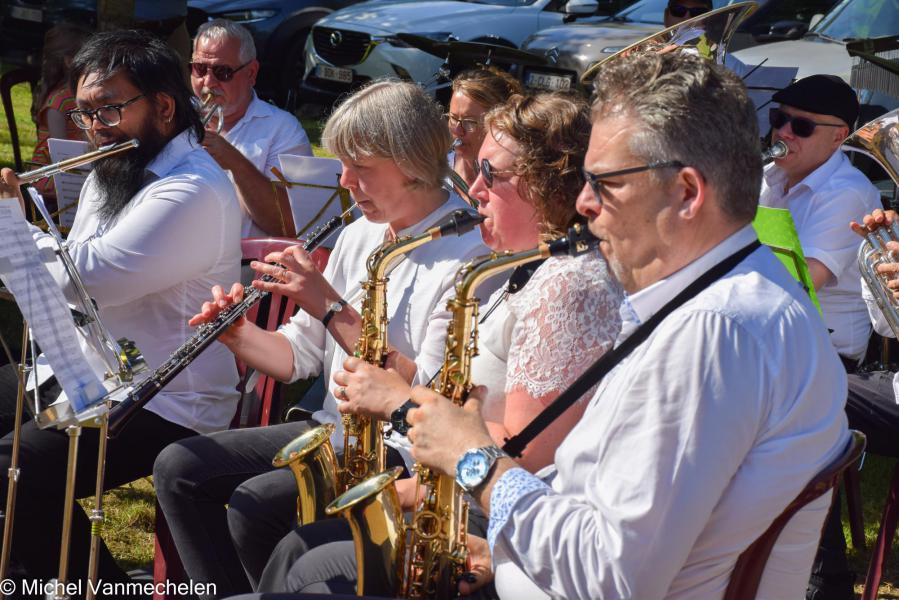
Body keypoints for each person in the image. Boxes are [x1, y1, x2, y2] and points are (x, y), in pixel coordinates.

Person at [399, 51, 849, 599]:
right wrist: (505, 547)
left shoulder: (711, 334)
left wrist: (474, 462)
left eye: (604, 182)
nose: (584, 203)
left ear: (687, 192)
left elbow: (611, 579)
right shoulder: (737, 295)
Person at [240, 92, 623, 596]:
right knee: (289, 545)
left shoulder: (566, 285)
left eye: (492, 173)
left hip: (491, 521)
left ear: (547, 184)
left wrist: (401, 414)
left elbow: (524, 454)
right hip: (458, 488)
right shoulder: (520, 272)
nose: (475, 189)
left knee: (301, 556)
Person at [152, 80, 494, 599]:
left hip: (401, 449)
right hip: (333, 430)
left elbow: (430, 392)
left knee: (255, 505)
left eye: (362, 167)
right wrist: (237, 333)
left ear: (411, 160)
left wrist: (331, 306)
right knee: (180, 467)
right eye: (342, 164)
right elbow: (298, 357)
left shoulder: (467, 253)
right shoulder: (361, 230)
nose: (346, 180)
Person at [0, 29, 241, 589]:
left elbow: (88, 279)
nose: (93, 131)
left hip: (164, 400)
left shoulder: (192, 190)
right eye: (84, 115)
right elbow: (58, 277)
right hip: (86, 373)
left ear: (162, 106)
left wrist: (12, 224)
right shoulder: (114, 173)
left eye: (109, 110)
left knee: (14, 472)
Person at [760, 74, 881, 370]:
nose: (784, 133)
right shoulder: (767, 177)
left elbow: (802, 281)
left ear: (838, 136)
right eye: (780, 118)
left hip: (825, 356)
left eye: (802, 126)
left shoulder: (848, 192)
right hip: (771, 338)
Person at [191, 19, 313, 237]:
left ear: (251, 73)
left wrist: (235, 162)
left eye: (223, 72)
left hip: (247, 266)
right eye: (200, 69)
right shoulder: (173, 117)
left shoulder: (283, 130)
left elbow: (289, 226)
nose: (208, 82)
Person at [29, 24, 90, 203]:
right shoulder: (58, 103)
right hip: (52, 176)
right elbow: (62, 155)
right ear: (69, 61)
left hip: (78, 169)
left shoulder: (83, 94)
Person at [446, 68, 522, 193]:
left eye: (469, 122)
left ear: (497, 123)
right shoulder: (440, 171)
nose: (458, 130)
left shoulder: (510, 180)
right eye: (453, 119)